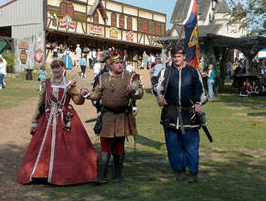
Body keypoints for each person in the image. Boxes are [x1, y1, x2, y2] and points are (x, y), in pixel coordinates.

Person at [17, 59, 98, 185]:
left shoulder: (69, 84)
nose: (55, 70)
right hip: (47, 118)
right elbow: (41, 103)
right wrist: (35, 120)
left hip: (64, 118)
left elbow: (77, 101)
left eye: (58, 67)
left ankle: (63, 175)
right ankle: (40, 173)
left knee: (66, 147)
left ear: (63, 68)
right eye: (53, 68)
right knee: (43, 144)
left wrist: (82, 95)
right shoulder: (46, 83)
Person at [80, 50, 143, 184]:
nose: (120, 65)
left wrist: (134, 89)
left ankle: (118, 174)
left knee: (119, 144)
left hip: (122, 115)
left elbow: (140, 92)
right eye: (117, 63)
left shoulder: (130, 76)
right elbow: (96, 95)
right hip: (107, 115)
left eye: (121, 62)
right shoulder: (102, 79)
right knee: (105, 145)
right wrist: (86, 94)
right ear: (110, 65)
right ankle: (101, 175)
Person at [155, 45, 206, 183]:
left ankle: (193, 172)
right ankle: (179, 170)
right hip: (170, 113)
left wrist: (198, 104)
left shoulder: (193, 72)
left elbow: (201, 92)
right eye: (174, 56)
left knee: (191, 146)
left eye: (179, 56)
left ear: (184, 56)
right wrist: (159, 96)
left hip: (189, 114)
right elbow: (158, 87)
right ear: (171, 57)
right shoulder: (166, 71)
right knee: (173, 146)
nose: (176, 59)